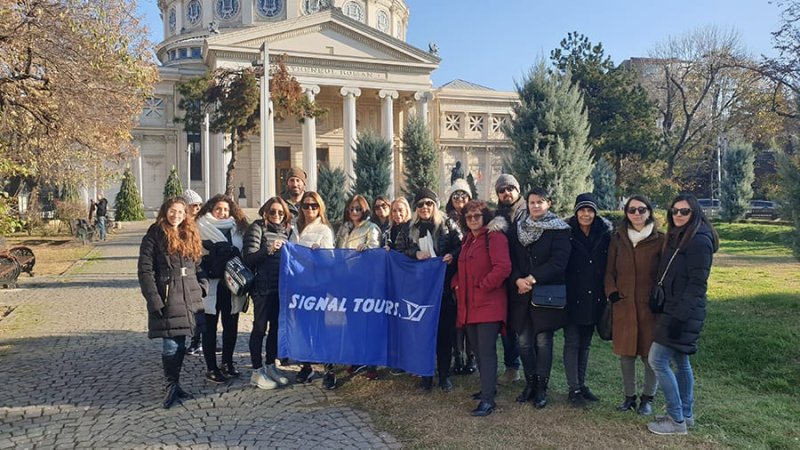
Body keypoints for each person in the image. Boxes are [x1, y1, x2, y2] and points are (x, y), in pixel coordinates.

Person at [647, 194, 718, 435]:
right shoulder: (680, 236)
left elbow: (698, 284)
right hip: (676, 308)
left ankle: (675, 420)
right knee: (680, 360)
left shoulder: (699, 241)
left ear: (695, 213)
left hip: (683, 311)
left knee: (657, 359)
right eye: (674, 211)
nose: (678, 215)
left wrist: (679, 317)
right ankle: (686, 414)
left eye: (684, 211)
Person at [137, 197, 208, 408]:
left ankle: (176, 384)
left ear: (185, 214)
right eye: (172, 210)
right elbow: (145, 270)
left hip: (189, 293)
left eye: (180, 212)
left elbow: (198, 263)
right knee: (170, 343)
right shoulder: (154, 235)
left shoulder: (190, 233)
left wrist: (202, 285)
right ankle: (170, 384)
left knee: (182, 342)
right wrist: (154, 299)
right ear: (165, 211)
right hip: (167, 295)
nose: (175, 215)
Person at [508, 188, 570, 408]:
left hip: (545, 293)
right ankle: (530, 383)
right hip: (521, 295)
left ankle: (542, 388)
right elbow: (511, 259)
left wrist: (532, 279)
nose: (535, 206)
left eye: (540, 202)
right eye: (532, 202)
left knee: (543, 342)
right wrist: (517, 280)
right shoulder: (518, 227)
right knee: (524, 343)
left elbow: (559, 262)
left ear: (549, 204)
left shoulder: (560, 229)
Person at [604, 195, 665, 415]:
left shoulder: (660, 240)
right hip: (624, 305)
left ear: (649, 211)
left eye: (641, 210)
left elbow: (666, 273)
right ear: (626, 213)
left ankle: (647, 398)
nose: (637, 214)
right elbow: (609, 270)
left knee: (650, 356)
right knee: (626, 355)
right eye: (632, 210)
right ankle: (629, 397)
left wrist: (660, 298)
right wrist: (611, 293)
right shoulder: (618, 238)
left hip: (650, 308)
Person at [452, 200, 511, 417]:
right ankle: (487, 387)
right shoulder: (468, 240)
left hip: (488, 304)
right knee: (477, 350)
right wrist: (455, 283)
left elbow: (503, 267)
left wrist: (484, 285)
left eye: (477, 215)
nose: (474, 219)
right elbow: (462, 268)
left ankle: (488, 400)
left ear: (485, 216)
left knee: (486, 352)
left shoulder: (494, 237)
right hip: (469, 305)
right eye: (469, 217)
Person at [406, 187, 461, 392]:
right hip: (420, 290)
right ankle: (426, 375)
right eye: (420, 204)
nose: (424, 207)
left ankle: (444, 375)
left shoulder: (447, 224)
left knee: (444, 334)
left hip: (443, 288)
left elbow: (463, 244)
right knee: (423, 334)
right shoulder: (409, 227)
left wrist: (452, 256)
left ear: (435, 205)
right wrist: (415, 253)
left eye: (428, 203)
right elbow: (401, 249)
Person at [563, 193, 611, 407]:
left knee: (586, 344)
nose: (586, 214)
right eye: (582, 209)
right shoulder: (566, 232)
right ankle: (573, 388)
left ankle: (582, 384)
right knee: (572, 342)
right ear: (576, 211)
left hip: (594, 296)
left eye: (590, 210)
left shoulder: (604, 233)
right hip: (572, 296)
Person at [196, 194, 249, 383]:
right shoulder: (200, 226)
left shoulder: (238, 227)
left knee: (231, 324)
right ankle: (211, 367)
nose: (222, 212)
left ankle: (227, 362)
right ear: (211, 209)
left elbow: (244, 252)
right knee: (209, 326)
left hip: (231, 284)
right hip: (211, 282)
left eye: (226, 209)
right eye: (218, 209)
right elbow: (195, 253)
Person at [243, 197, 294, 391]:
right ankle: (257, 371)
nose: (276, 216)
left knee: (275, 329)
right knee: (259, 328)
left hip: (280, 288)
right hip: (262, 288)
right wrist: (268, 250)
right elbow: (248, 258)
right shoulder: (257, 228)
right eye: (272, 211)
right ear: (265, 211)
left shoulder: (286, 231)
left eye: (281, 213)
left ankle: (271, 365)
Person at [331, 194, 381, 386]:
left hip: (365, 283)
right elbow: (336, 250)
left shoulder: (371, 228)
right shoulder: (344, 229)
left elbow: (375, 249)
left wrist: (366, 247)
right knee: (351, 322)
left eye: (358, 209)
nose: (354, 212)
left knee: (367, 323)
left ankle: (371, 363)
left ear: (364, 210)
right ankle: (356, 358)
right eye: (351, 208)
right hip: (347, 282)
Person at [293, 191, 335, 383]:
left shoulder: (324, 230)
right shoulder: (293, 227)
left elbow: (330, 260)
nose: (310, 209)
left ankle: (329, 369)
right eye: (306, 205)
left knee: (321, 328)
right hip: (298, 284)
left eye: (314, 206)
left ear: (320, 208)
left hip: (318, 285)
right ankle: (306, 366)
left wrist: (319, 254)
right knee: (303, 327)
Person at [494, 174, 525, 384]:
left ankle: (534, 372)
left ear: (517, 190)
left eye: (510, 188)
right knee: (507, 327)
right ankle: (512, 367)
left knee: (528, 329)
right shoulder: (496, 217)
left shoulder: (529, 211)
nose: (507, 193)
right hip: (505, 279)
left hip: (527, 278)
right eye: (502, 190)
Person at [443, 179, 472, 376]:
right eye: (456, 195)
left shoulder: (477, 217)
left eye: (463, 195)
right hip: (451, 274)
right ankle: (457, 356)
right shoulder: (446, 220)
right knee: (454, 319)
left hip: (471, 274)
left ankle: (471, 357)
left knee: (470, 318)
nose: (459, 199)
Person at [182, 189, 206, 356]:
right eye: (193, 205)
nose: (197, 208)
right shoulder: (181, 225)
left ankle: (200, 340)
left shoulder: (203, 222)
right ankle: (193, 341)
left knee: (202, 309)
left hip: (202, 269)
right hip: (188, 270)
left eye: (199, 205)